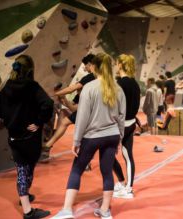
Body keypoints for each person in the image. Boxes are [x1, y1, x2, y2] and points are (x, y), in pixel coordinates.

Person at [51, 53, 126, 219]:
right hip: (112, 135)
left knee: (77, 169)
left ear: (94, 67)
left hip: (93, 136)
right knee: (107, 172)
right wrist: (119, 138)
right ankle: (105, 210)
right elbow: (121, 116)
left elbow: (82, 117)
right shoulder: (118, 88)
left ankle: (66, 210)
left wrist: (76, 140)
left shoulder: (89, 88)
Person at [0, 54, 53, 219]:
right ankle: (27, 211)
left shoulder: (8, 86)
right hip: (30, 137)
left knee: (23, 170)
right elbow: (48, 104)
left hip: (14, 137)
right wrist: (38, 121)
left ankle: (24, 198)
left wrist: (7, 116)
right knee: (26, 170)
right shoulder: (32, 86)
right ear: (30, 69)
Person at [42, 54, 95, 157]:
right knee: (63, 113)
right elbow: (73, 106)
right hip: (86, 110)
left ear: (90, 64)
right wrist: (64, 100)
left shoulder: (90, 78)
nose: (84, 67)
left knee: (70, 126)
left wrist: (56, 94)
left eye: (85, 65)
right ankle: (52, 139)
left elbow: (72, 92)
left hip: (89, 112)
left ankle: (49, 144)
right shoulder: (85, 88)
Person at [111, 54, 141, 199]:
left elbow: (115, 106)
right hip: (131, 123)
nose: (116, 66)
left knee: (108, 154)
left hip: (121, 125)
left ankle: (124, 184)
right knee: (128, 156)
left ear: (121, 65)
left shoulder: (120, 84)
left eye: (117, 63)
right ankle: (127, 187)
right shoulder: (135, 83)